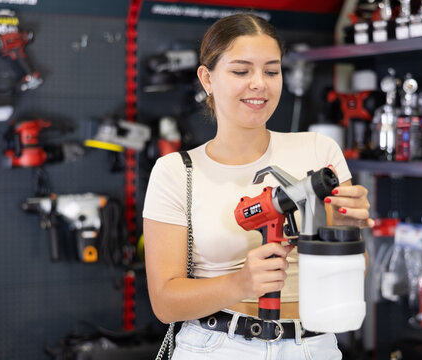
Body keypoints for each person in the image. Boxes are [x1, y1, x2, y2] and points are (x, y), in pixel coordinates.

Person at [143, 13, 374, 360]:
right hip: (218, 346)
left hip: (313, 346)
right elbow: (165, 303)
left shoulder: (318, 151)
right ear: (207, 78)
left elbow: (356, 270)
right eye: (241, 71)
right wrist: (241, 283)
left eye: (271, 70)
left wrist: (345, 229)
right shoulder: (177, 171)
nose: (259, 84)